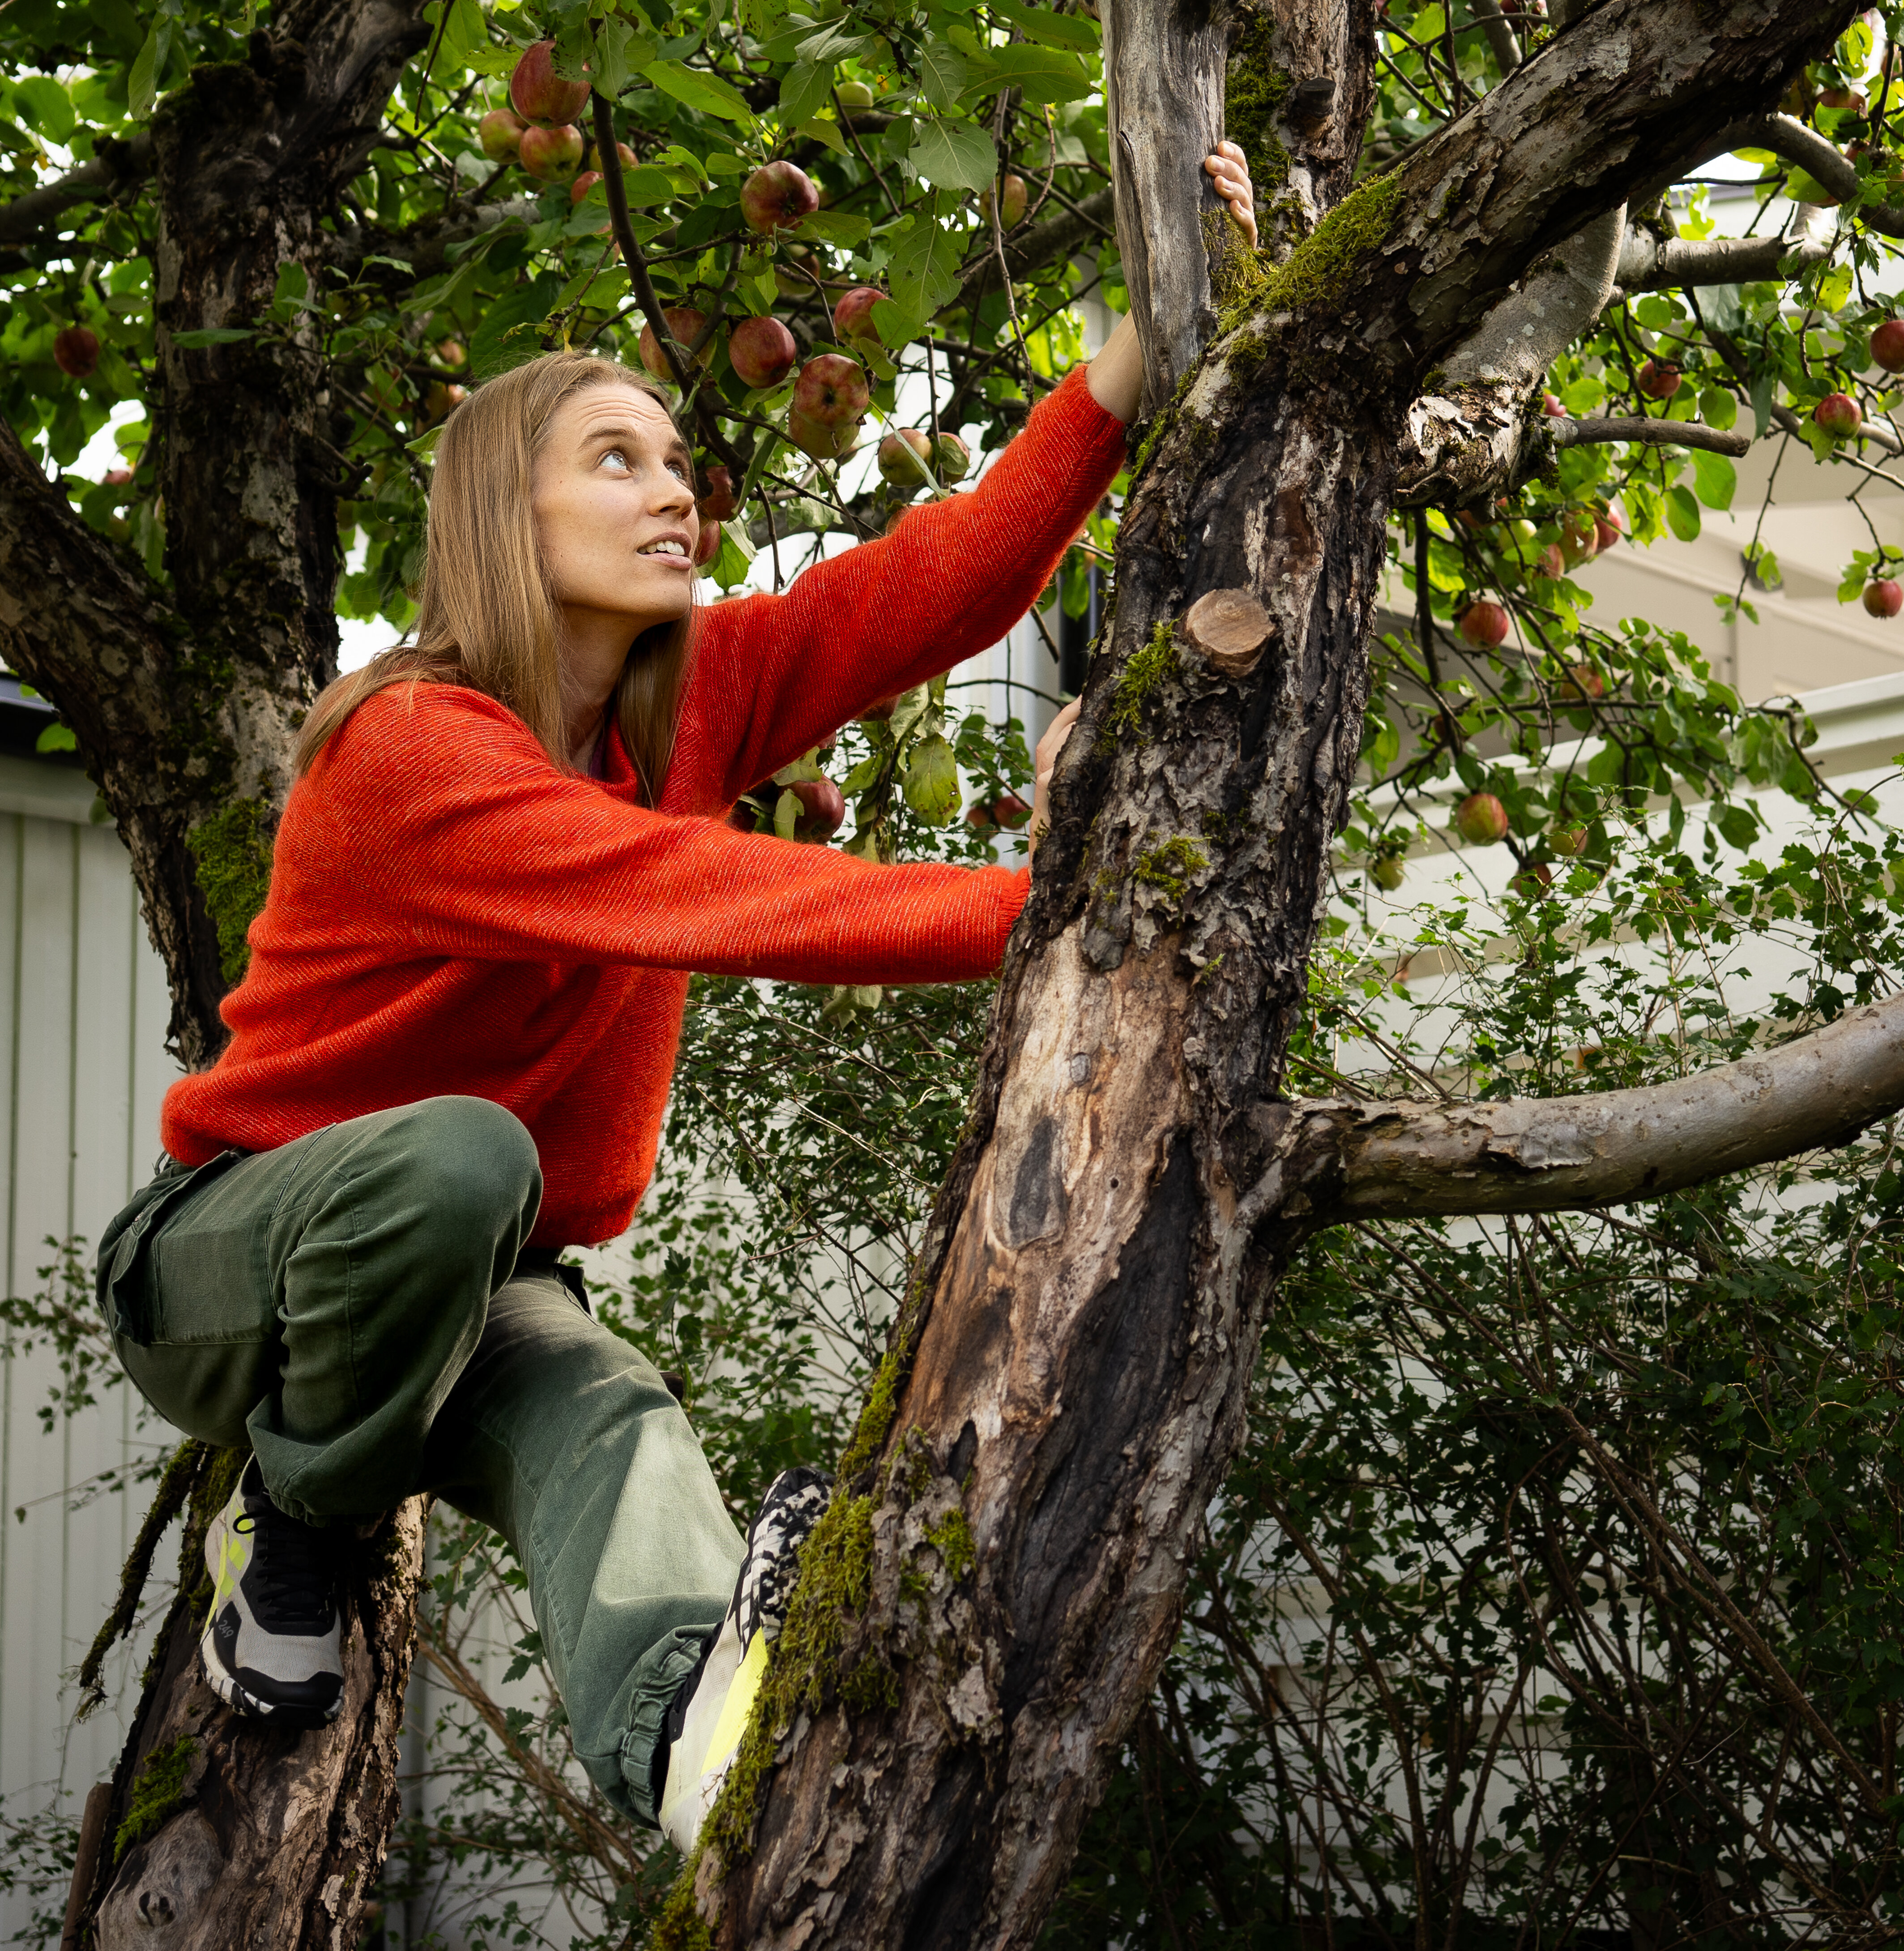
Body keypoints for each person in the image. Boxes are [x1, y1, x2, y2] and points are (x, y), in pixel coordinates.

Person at [95, 143, 1259, 1853]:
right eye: (616, 460)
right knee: (458, 1159)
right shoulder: (409, 746)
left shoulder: (690, 701)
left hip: (478, 1277)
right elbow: (690, 892)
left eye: (680, 463)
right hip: (232, 1262)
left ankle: (708, 1757)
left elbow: (931, 583)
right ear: (510, 515)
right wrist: (1061, 913)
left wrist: (1129, 362)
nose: (677, 493)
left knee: (614, 1425)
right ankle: (298, 1509)